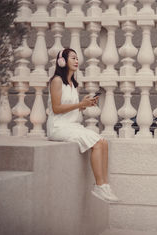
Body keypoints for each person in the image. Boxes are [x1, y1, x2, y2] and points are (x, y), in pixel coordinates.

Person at [47, 48, 118, 203]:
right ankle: (99, 186)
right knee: (97, 143)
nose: (77, 61)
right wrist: (80, 103)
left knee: (104, 142)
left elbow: (70, 107)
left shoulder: (73, 84)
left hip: (71, 125)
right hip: (58, 127)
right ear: (62, 61)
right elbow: (56, 108)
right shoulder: (57, 80)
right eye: (73, 58)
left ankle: (105, 185)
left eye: (77, 58)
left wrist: (84, 105)